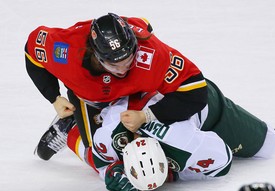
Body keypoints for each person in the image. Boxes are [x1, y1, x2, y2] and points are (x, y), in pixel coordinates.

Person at [25, 13, 208, 160]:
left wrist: (148, 115)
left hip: (133, 92)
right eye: (113, 64)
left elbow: (196, 92)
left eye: (128, 59)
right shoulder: (65, 50)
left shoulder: (150, 52)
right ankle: (69, 129)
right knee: (101, 154)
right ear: (95, 54)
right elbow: (32, 49)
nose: (123, 69)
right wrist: (54, 97)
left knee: (146, 139)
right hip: (90, 99)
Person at [66, 79, 275, 191]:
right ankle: (70, 128)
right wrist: (111, 172)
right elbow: (104, 162)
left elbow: (222, 163)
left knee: (269, 144)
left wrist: (175, 176)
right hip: (135, 97)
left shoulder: (184, 142)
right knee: (95, 152)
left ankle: (70, 128)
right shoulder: (110, 134)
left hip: (203, 106)